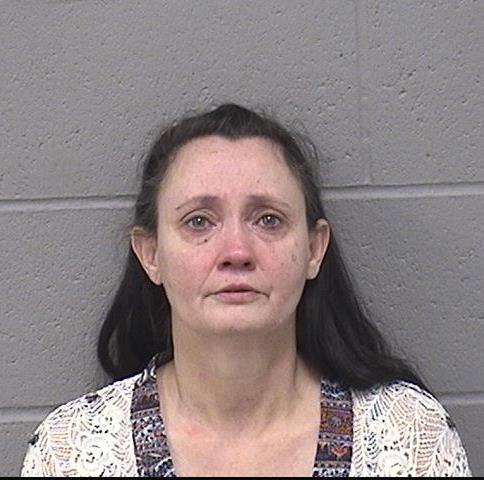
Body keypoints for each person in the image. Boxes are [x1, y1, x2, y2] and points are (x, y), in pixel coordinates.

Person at [21, 103, 472, 477]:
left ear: (314, 249)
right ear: (150, 254)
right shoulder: (70, 452)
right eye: (199, 221)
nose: (236, 252)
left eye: (268, 220)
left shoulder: (409, 439)